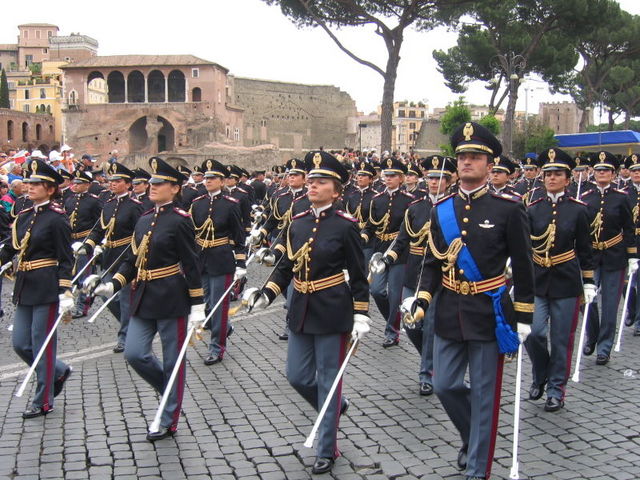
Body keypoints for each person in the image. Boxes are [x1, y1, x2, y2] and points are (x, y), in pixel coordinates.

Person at [414, 122, 534, 480]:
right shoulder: (442, 209)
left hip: (489, 313)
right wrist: (422, 298)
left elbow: (524, 266)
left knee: (484, 397)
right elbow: (433, 261)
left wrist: (524, 314)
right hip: (450, 309)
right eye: (463, 156)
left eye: (475, 157)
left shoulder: (508, 209)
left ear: (490, 164)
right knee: (444, 384)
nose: (466, 162)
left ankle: (477, 471)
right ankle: (472, 436)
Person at [244, 150, 370, 475]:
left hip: (332, 309)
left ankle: (328, 448)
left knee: (328, 380)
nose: (313, 185)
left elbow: (358, 274)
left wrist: (361, 314)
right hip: (300, 308)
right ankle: (334, 407)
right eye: (311, 180)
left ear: (337, 190)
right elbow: (285, 267)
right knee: (297, 376)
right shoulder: (297, 223)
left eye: (321, 181)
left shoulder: (346, 227)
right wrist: (266, 294)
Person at [84, 157, 205, 441]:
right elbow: (132, 259)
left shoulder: (181, 221)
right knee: (135, 353)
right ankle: (169, 389)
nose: (151, 187)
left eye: (159, 183)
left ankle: (168, 417)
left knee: (174, 359)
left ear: (175, 188)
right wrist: (112, 284)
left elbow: (192, 263)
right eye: (150, 183)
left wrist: (197, 304)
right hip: (143, 296)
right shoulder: (145, 219)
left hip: (172, 296)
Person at [375, 155, 456, 396]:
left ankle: (426, 373)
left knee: (430, 324)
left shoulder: (453, 207)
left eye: (439, 178)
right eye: (430, 178)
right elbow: (402, 240)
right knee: (411, 324)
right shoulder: (416, 208)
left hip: (439, 274)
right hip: (414, 270)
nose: (434, 182)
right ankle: (432, 359)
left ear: (449, 181)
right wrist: (388, 258)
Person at [0, 159, 74, 418]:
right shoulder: (24, 215)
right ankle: (59, 370)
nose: (30, 187)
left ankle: (44, 399)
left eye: (36, 184)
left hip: (46, 285)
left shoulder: (57, 219)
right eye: (29, 183)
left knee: (42, 344)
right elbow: (13, 245)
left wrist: (65, 291)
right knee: (21, 343)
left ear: (50, 188)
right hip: (25, 285)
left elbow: (67, 258)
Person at [524, 148, 595, 412]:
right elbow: (524, 248)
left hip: (566, 281)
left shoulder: (579, 210)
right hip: (538, 280)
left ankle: (556, 389)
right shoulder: (532, 209)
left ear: (567, 179)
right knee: (534, 332)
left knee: (562, 338)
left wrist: (588, 281)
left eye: (558, 174)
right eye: (548, 174)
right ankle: (540, 372)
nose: (552, 178)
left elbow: (585, 249)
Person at [582, 151, 637, 365]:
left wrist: (632, 256)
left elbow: (629, 228)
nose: (601, 173)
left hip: (615, 256)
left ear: (613, 174)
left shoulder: (621, 198)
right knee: (587, 300)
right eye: (598, 170)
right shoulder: (586, 198)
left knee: (610, 305)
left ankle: (604, 346)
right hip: (591, 256)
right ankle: (592, 334)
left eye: (606, 170)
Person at [190, 159, 246, 365]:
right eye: (206, 178)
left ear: (222, 181)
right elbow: (192, 233)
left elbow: (239, 237)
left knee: (218, 306)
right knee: (203, 303)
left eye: (212, 178)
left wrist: (241, 264)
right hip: (200, 258)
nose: (208, 181)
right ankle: (225, 327)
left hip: (221, 258)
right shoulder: (197, 203)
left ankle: (217, 347)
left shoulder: (231, 205)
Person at [83, 162, 144, 353]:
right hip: (109, 256)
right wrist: (89, 245)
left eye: (118, 181)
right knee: (105, 295)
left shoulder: (135, 206)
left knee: (125, 299)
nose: (113, 184)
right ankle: (132, 324)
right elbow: (99, 229)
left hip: (126, 256)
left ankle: (125, 336)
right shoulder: (108, 205)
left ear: (128, 184)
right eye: (111, 181)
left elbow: (140, 233)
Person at [362, 157, 414, 348]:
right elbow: (370, 226)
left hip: (400, 253)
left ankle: (392, 331)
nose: (389, 179)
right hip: (380, 250)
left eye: (393, 176)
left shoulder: (409, 201)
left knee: (394, 294)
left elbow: (410, 228)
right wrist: (363, 237)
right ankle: (393, 320)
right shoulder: (377, 199)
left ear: (401, 178)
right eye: (386, 175)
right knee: (376, 290)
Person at [65, 170, 101, 318]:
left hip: (85, 240)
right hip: (71, 241)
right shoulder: (70, 200)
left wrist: (93, 243)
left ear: (87, 184)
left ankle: (83, 306)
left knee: (84, 276)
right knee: (69, 275)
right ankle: (67, 305)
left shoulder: (93, 201)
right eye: (75, 183)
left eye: (80, 183)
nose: (76, 186)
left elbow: (99, 224)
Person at [343, 161, 377, 265]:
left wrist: (365, 235)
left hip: (369, 238)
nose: (360, 178)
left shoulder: (375, 197)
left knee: (365, 267)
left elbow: (373, 220)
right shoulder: (352, 195)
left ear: (370, 179)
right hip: (353, 235)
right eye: (359, 175)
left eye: (364, 176)